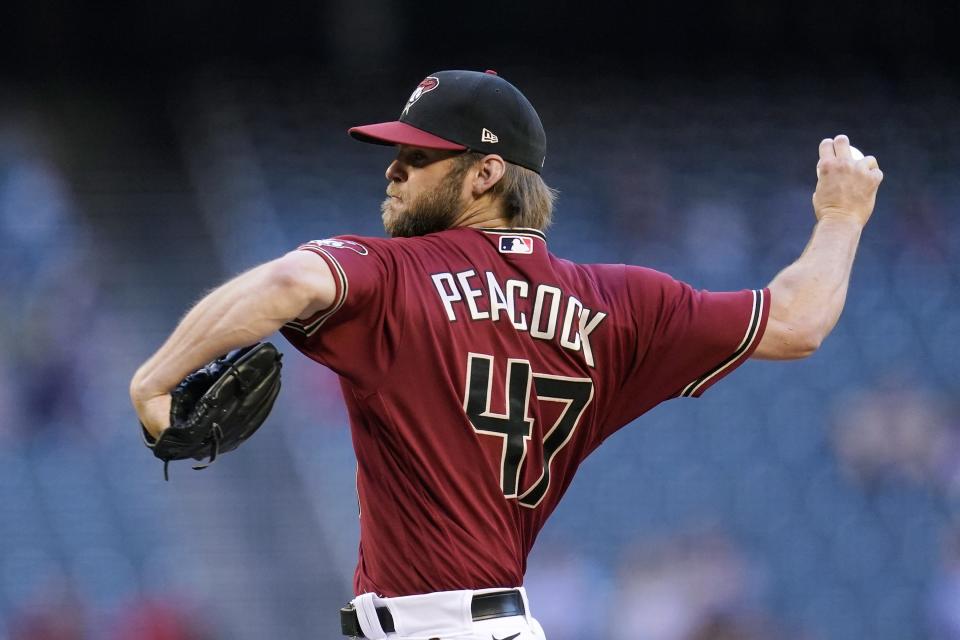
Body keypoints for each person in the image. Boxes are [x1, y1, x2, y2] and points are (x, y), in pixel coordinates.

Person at [130, 69, 883, 639]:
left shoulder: (396, 275)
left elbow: (292, 279)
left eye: (418, 158)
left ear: (486, 174)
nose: (392, 170)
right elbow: (796, 322)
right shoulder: (624, 303)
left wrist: (154, 380)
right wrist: (843, 215)